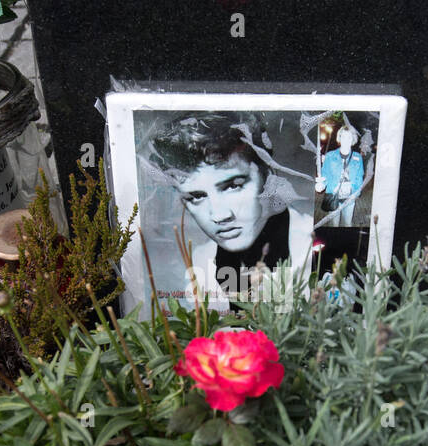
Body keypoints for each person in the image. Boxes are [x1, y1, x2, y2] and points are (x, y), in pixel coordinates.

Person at [145, 113, 313, 309]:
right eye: (197, 196)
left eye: (233, 186)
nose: (219, 215)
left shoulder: (315, 247)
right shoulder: (201, 262)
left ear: (268, 176)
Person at [318, 125, 365, 226]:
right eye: (343, 137)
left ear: (353, 139)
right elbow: (325, 175)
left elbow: (359, 178)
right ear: (339, 138)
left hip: (349, 199)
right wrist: (321, 185)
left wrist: (354, 194)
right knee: (334, 224)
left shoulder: (358, 158)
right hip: (334, 197)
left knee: (347, 224)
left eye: (349, 137)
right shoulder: (330, 156)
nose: (346, 140)